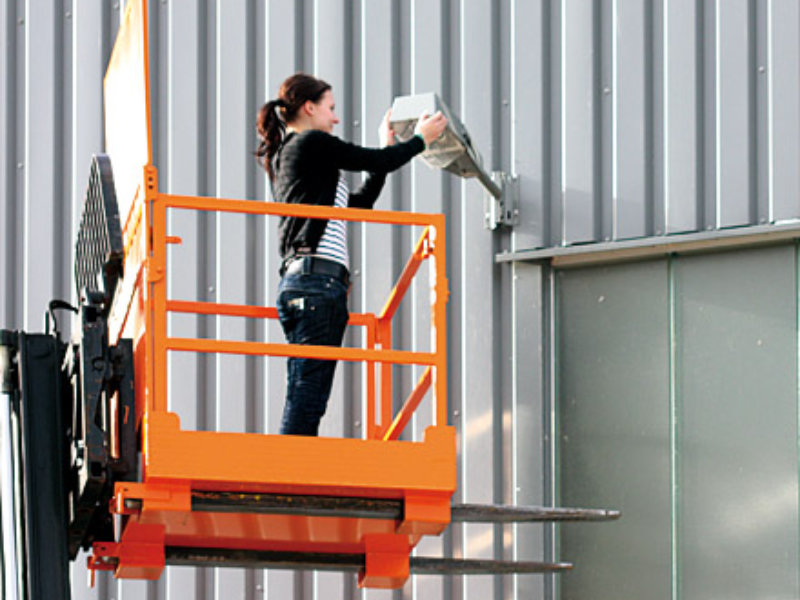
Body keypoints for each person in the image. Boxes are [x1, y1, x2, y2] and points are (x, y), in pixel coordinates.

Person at [256, 73, 447, 436]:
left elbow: (360, 203)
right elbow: (374, 159)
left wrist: (386, 149)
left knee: (306, 389)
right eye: (330, 108)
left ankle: (292, 458)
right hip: (316, 282)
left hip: (308, 283)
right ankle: (291, 463)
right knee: (309, 391)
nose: (336, 117)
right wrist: (421, 140)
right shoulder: (310, 142)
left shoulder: (297, 155)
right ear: (309, 108)